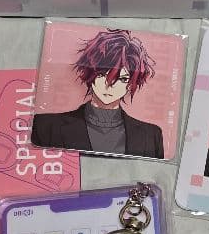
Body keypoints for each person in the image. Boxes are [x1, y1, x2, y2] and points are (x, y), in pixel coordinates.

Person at [32, 29, 164, 158]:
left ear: (130, 84)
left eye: (122, 79)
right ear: (90, 74)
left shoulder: (151, 136)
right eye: (102, 75)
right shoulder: (45, 126)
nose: (110, 85)